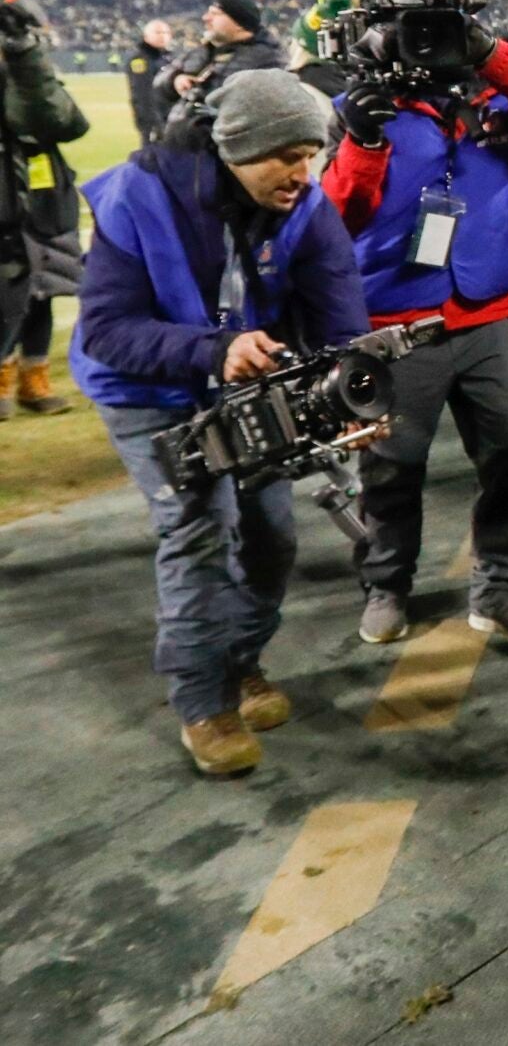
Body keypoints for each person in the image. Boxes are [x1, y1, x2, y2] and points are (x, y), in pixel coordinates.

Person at [69, 71, 368, 777]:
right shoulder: (140, 192)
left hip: (245, 381)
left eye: (313, 152)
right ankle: (203, 702)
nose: (303, 172)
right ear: (235, 148)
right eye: (285, 156)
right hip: (149, 389)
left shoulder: (307, 203)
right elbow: (107, 329)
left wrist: (350, 402)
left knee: (269, 537)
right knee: (200, 531)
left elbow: (339, 323)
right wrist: (212, 348)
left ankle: (240, 663)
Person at [323, 0, 508, 649]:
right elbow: (337, 215)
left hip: (488, 312)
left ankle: (499, 589)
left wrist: (493, 53)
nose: (434, 41)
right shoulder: (366, 107)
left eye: (452, 25)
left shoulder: (496, 95)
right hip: (394, 325)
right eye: (423, 26)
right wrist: (360, 141)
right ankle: (387, 585)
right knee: (390, 471)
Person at [1, 0, 88, 414]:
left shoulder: (23, 64)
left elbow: (62, 122)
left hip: (41, 195)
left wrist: (23, 55)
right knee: (9, 289)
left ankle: (33, 384)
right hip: (10, 199)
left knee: (42, 290)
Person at [159, 0, 287, 114]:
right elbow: (158, 84)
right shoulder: (203, 50)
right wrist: (175, 79)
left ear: (239, 24)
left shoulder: (266, 59)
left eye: (215, 14)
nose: (205, 18)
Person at [128, 18, 174, 143]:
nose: (162, 36)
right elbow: (143, 94)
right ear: (146, 36)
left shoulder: (167, 57)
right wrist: (153, 123)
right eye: (158, 33)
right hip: (154, 120)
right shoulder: (140, 59)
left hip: (170, 117)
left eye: (166, 33)